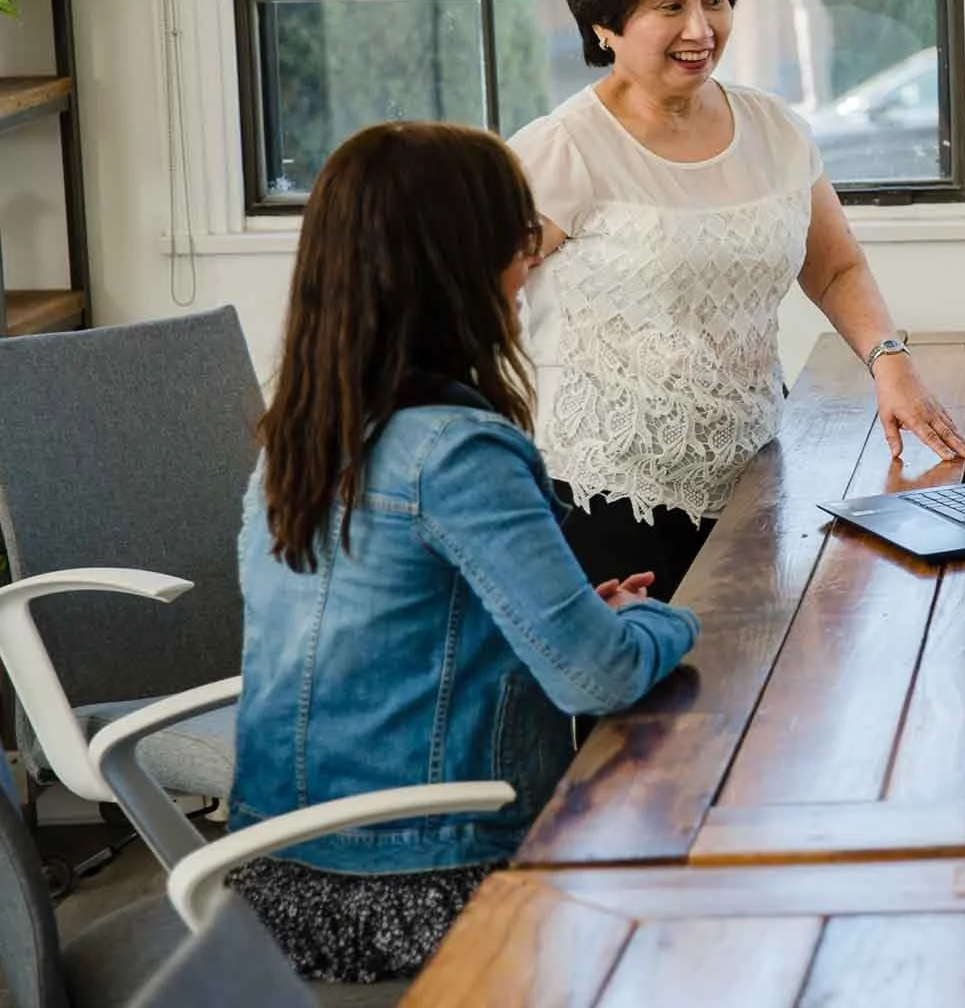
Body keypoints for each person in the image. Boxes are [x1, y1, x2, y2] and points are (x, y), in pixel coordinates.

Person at [228, 122, 700, 981]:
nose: (530, 266)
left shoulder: (299, 434)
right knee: (691, 924)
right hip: (424, 883)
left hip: (270, 883)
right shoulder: (458, 451)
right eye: (517, 242)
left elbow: (390, 631)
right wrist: (660, 620)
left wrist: (567, 610)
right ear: (456, 265)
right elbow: (595, 678)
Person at [510, 0, 965, 601]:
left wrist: (890, 361)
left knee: (754, 694)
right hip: (603, 493)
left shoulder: (776, 130)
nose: (701, 28)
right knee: (650, 707)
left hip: (755, 471)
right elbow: (469, 292)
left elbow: (835, 264)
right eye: (670, 5)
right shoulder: (563, 149)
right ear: (604, 22)